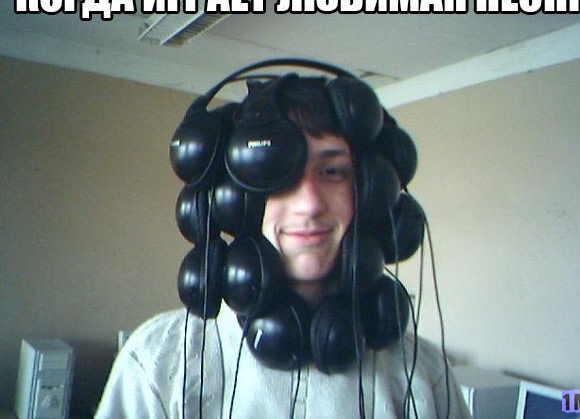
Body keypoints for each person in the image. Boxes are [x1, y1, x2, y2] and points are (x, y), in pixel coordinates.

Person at [96, 62, 471, 419]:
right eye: (278, 172)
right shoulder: (157, 361)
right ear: (235, 200)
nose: (309, 203)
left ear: (372, 191)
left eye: (333, 171)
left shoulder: (423, 374)